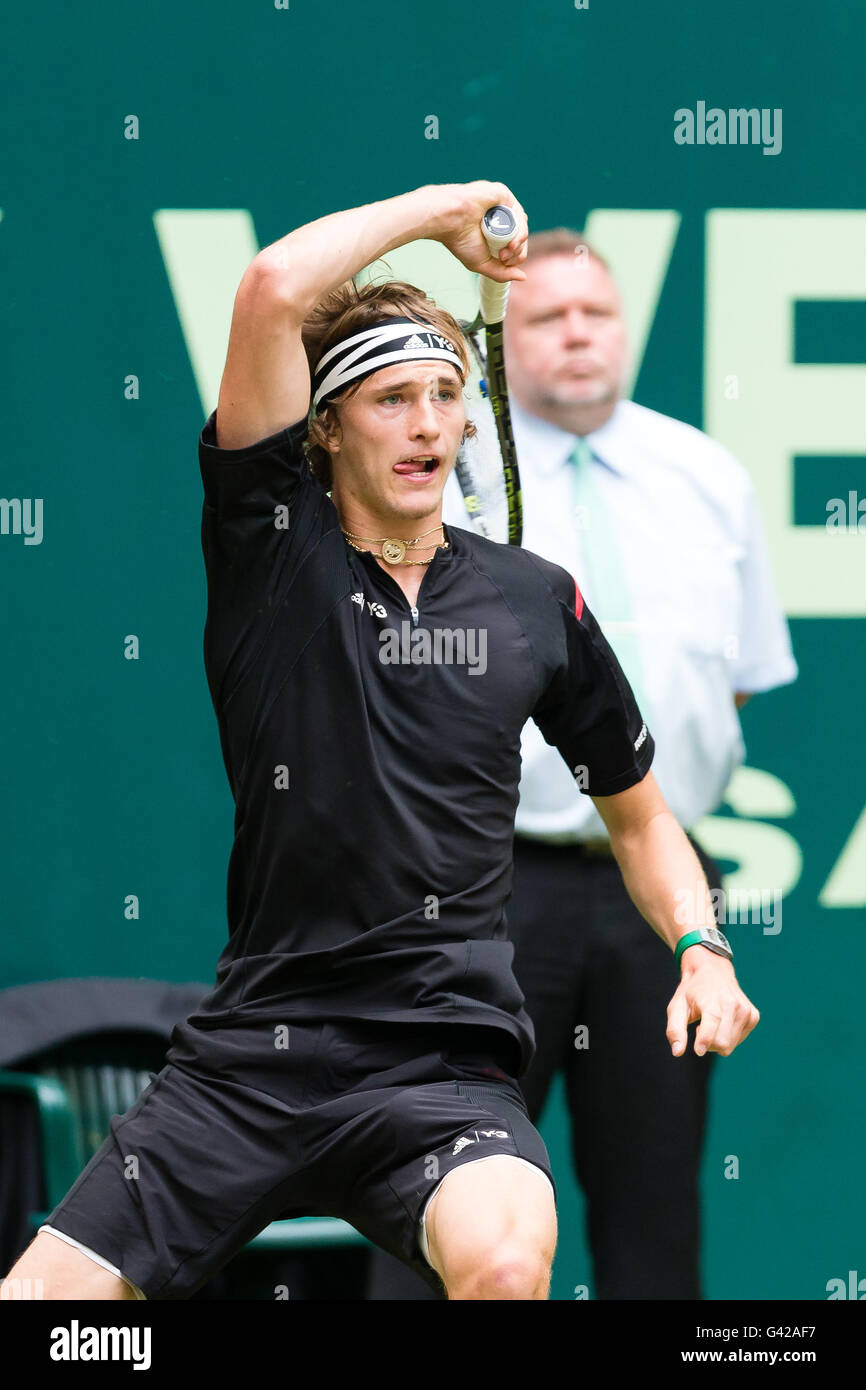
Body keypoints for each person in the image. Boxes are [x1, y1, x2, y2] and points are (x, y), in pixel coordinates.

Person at [4, 184, 760, 1303]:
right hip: (249, 1062)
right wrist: (443, 211)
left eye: (443, 394)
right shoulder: (271, 551)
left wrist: (702, 948)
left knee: (506, 1264)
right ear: (324, 423)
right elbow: (269, 289)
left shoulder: (532, 602)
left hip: (442, 1069)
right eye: (389, 395)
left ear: (466, 421)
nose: (421, 419)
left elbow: (641, 815)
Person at [368, 227, 794, 1301]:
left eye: (593, 314)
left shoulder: (705, 473)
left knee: (652, 1211)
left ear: (623, 327)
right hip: (479, 889)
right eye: (544, 317)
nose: (573, 336)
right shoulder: (445, 476)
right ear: (499, 345)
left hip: (659, 893)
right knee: (445, 1198)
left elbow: (727, 682)